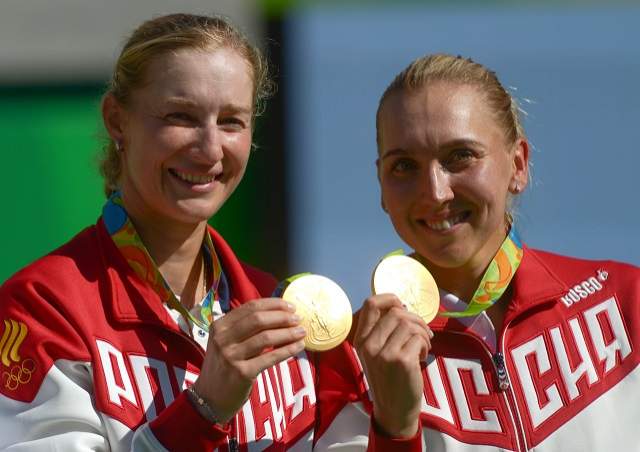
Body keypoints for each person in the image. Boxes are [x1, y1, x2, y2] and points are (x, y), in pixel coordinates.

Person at [0, 14, 316, 451]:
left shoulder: (283, 314)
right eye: (180, 116)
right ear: (117, 120)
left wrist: (396, 424)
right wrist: (202, 411)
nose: (209, 150)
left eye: (231, 122)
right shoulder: (45, 305)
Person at [313, 53, 640, 451]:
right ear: (381, 185)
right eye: (404, 167)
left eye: (459, 157)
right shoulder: (350, 358)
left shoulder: (623, 302)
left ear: (518, 165)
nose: (435, 192)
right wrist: (396, 427)